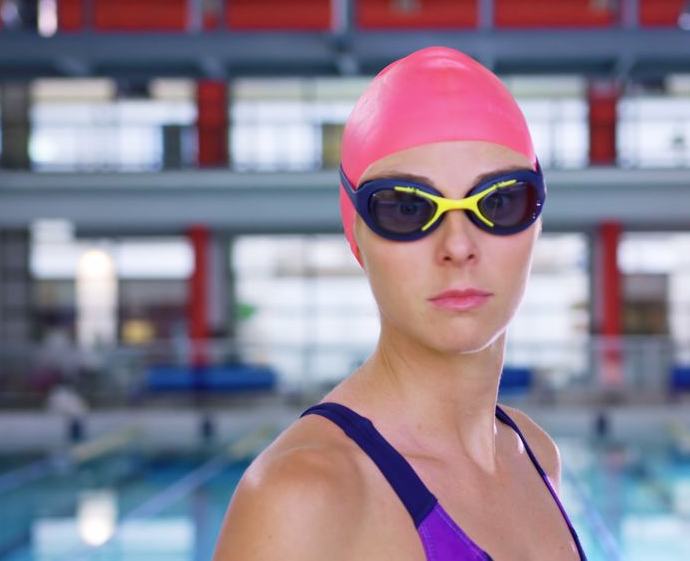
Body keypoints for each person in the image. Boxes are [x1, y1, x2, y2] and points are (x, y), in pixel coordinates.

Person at [213, 46, 585, 560]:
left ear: (537, 219)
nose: (458, 245)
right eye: (408, 208)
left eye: (499, 201)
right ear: (356, 234)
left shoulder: (537, 456)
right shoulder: (303, 496)